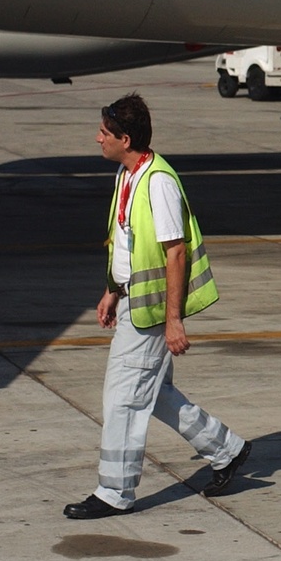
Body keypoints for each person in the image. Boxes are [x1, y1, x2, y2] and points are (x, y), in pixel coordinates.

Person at [64, 93, 251, 519]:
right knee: (154, 395)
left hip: (150, 313)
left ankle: (114, 492)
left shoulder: (158, 182)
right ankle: (228, 450)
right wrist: (113, 290)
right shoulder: (128, 175)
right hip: (132, 302)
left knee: (122, 399)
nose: (97, 139)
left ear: (125, 139)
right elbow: (127, 242)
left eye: (104, 133)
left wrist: (173, 323)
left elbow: (176, 253)